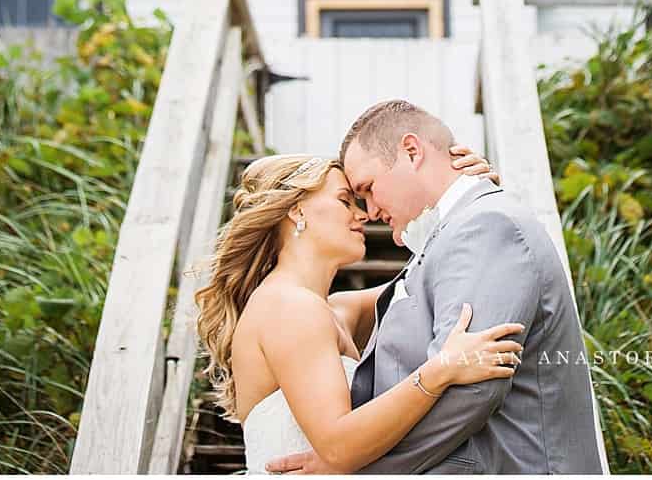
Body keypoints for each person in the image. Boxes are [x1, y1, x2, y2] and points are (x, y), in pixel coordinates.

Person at [265, 100, 604, 475]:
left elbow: (474, 387)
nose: (370, 210)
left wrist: (355, 468)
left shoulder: (486, 226)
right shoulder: (453, 233)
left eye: (369, 189)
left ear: (412, 151)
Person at [195, 144, 524, 474]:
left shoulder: (334, 310)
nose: (363, 214)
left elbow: (429, 276)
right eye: (344, 200)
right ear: (297, 210)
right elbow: (338, 448)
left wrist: (463, 195)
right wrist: (439, 371)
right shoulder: (289, 307)